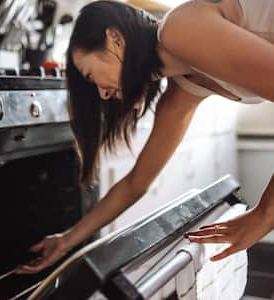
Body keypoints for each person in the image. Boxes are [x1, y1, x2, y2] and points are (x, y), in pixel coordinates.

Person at [17, 0, 274, 274]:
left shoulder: (179, 29)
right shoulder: (183, 89)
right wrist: (67, 240)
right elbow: (135, 183)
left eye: (91, 76)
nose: (102, 94)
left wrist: (264, 215)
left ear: (113, 38)